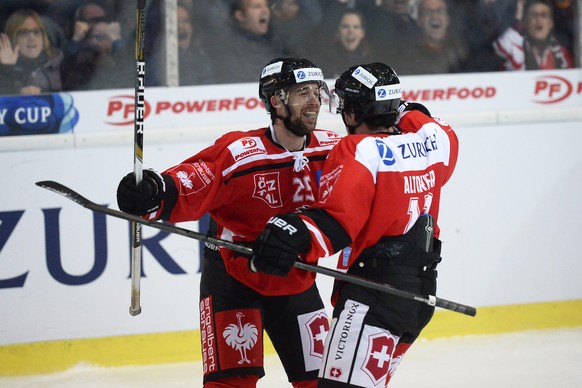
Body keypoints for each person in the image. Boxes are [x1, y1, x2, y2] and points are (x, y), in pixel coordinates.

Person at [116, 58, 342, 387]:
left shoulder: (334, 151)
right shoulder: (240, 153)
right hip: (233, 278)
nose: (314, 101)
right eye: (301, 92)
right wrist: (155, 191)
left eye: (316, 92)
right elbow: (192, 180)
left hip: (295, 278)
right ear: (276, 101)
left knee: (321, 383)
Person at [251, 62, 459, 386]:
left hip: (374, 295)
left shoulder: (359, 149)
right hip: (419, 294)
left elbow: (337, 221)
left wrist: (291, 232)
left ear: (352, 113)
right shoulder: (433, 139)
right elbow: (421, 116)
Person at [212, 0, 290, 84]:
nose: (265, 11)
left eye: (267, 6)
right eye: (257, 7)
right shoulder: (227, 49)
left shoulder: (279, 42)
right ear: (240, 15)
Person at [397, 0, 472, 75]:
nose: (434, 17)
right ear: (419, 21)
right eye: (427, 12)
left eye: (440, 11)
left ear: (448, 19)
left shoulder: (462, 50)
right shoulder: (408, 55)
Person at [493, 0, 573, 70]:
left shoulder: (562, 53)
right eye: (534, 15)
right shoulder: (516, 48)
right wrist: (518, 18)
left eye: (543, 15)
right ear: (526, 23)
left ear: (551, 23)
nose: (539, 19)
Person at [0, 8, 63, 95]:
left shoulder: (62, 64)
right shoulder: (3, 68)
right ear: (12, 39)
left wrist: (43, 94)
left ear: (43, 37)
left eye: (36, 32)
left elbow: (76, 100)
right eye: (23, 33)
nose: (31, 38)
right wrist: (6, 68)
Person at [60, 18, 132, 90]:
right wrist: (76, 38)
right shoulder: (82, 58)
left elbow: (127, 64)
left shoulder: (122, 62)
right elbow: (67, 59)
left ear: (112, 41)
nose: (93, 41)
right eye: (91, 37)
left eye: (100, 37)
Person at [313, 9, 375, 79]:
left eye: (356, 27)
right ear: (337, 32)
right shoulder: (325, 60)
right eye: (345, 26)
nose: (351, 31)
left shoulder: (372, 60)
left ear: (362, 33)